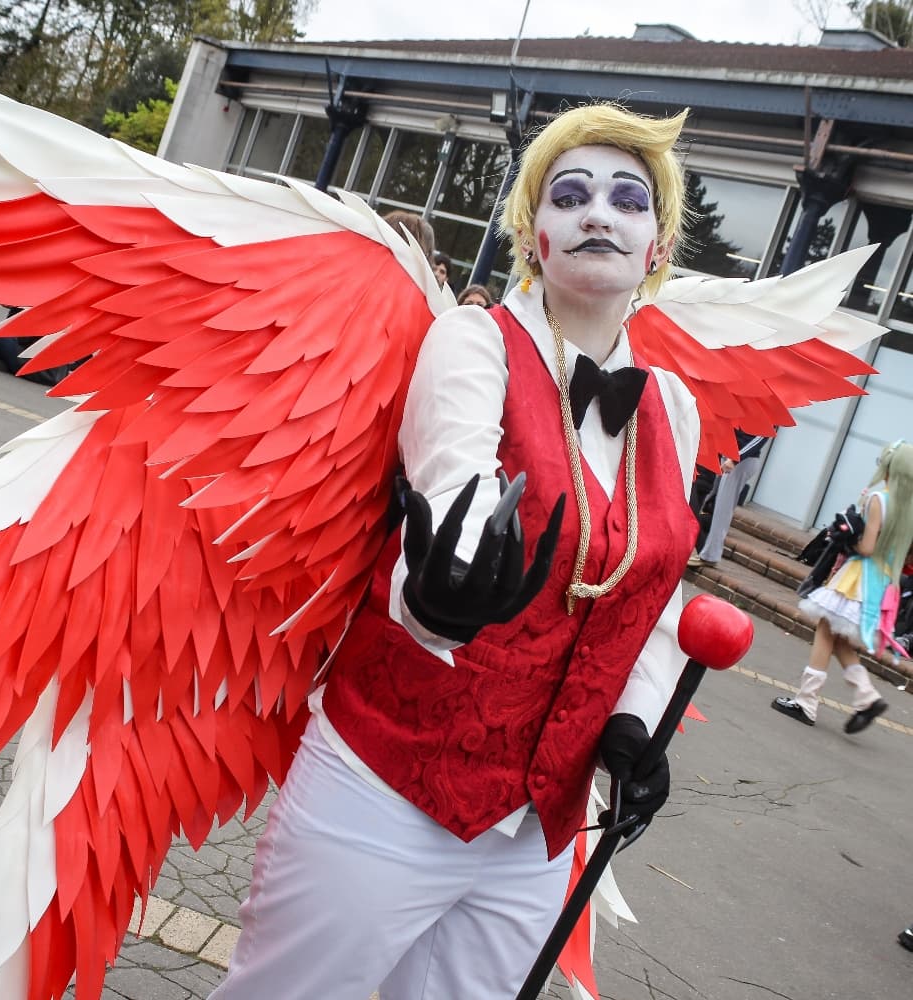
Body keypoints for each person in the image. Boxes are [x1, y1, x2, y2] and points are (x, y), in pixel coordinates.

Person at [208, 102, 700, 1000]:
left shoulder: (675, 404)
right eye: (570, 195)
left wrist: (635, 723)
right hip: (387, 788)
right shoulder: (475, 343)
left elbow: (657, 597)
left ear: (657, 245)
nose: (599, 212)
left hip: (536, 833)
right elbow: (455, 493)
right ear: (532, 233)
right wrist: (442, 595)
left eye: (629, 200)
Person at [771, 440, 913, 733]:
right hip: (881, 582)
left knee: (825, 630)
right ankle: (867, 696)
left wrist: (846, 535)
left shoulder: (879, 499)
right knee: (839, 639)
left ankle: (807, 702)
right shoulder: (907, 509)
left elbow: (868, 546)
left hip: (858, 577)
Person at [687, 429, 769, 566]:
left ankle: (710, 555)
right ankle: (707, 552)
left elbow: (761, 437)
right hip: (732, 458)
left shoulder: (769, 411)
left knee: (722, 510)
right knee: (716, 506)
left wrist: (735, 459)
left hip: (739, 461)